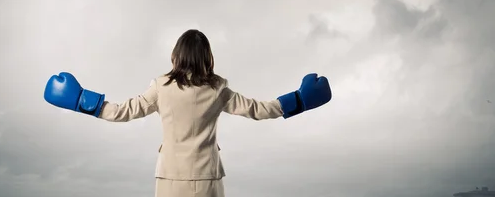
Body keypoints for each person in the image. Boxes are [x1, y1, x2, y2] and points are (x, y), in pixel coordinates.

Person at [44, 29, 332, 197]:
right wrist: (299, 100)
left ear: (176, 55)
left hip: (170, 178)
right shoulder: (218, 88)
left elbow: (122, 112)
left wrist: (80, 100)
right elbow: (258, 110)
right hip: (208, 177)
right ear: (207, 57)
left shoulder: (161, 87)